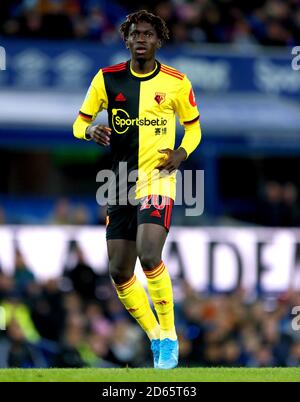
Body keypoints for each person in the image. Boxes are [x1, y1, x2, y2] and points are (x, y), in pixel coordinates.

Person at [73, 10, 202, 369]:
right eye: (135, 34)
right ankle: (156, 335)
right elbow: (78, 122)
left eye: (148, 34)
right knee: (118, 270)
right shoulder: (106, 79)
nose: (141, 39)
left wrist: (181, 152)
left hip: (159, 178)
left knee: (149, 256)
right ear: (126, 39)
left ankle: (170, 333)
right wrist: (89, 131)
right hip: (118, 182)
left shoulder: (177, 82)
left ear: (158, 40)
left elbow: (194, 130)